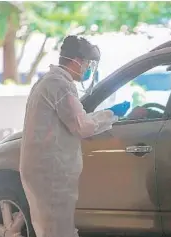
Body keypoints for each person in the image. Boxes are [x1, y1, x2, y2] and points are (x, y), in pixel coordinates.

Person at [19, 35, 130, 237]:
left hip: (44, 170)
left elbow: (75, 118)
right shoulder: (60, 85)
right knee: (58, 231)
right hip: (51, 172)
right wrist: (112, 113)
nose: (88, 68)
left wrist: (107, 114)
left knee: (51, 230)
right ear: (76, 61)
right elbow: (82, 127)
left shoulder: (50, 81)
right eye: (87, 63)